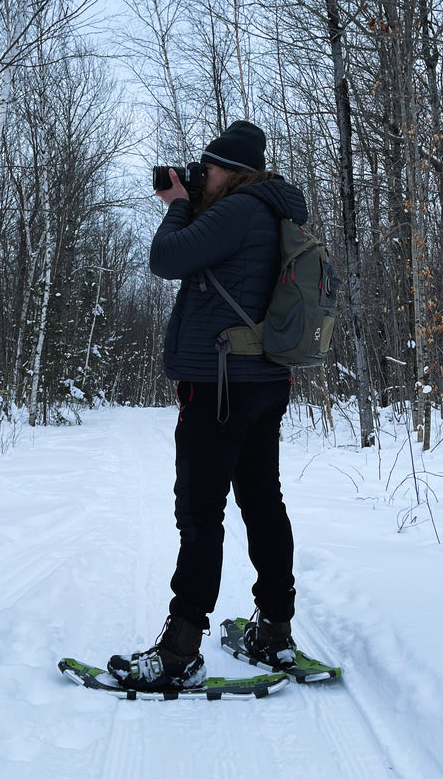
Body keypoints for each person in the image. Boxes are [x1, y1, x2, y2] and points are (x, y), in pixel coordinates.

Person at [108, 120, 308, 692]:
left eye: (210, 167)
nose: (203, 175)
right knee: (261, 502)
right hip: (263, 381)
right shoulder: (273, 212)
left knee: (200, 512)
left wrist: (176, 203)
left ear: (234, 170)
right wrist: (196, 202)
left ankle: (179, 650)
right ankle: (274, 629)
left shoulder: (240, 210)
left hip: (218, 386)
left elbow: (167, 258)